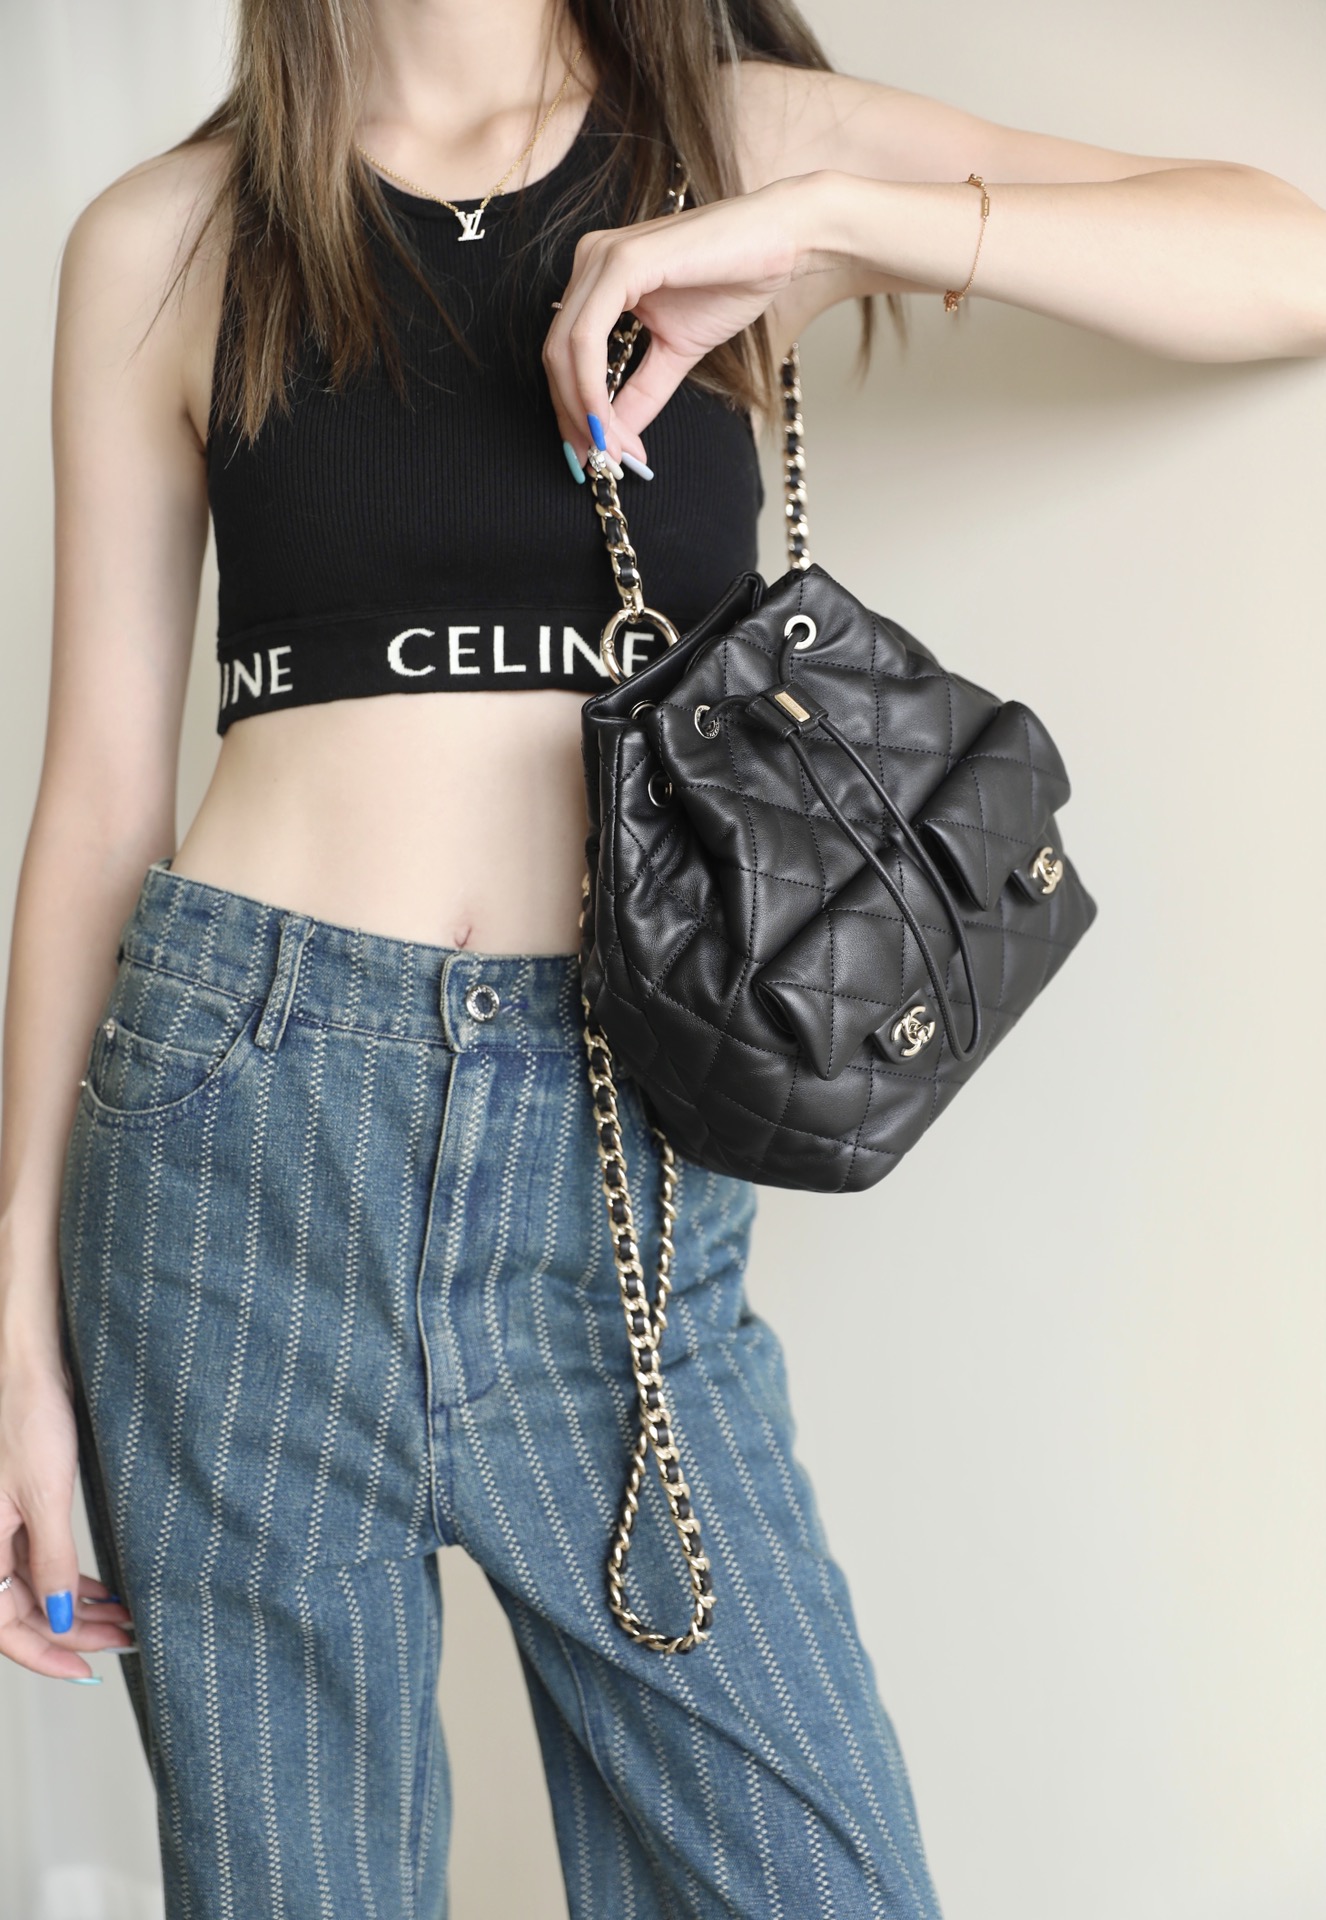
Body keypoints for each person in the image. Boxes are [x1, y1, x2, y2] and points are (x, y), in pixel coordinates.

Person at [2, 0, 1323, 1913]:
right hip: (231, 1163)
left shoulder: (734, 135)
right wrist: (19, 1329)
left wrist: (831, 225)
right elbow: (99, 800)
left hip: (620, 1150)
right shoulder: (170, 235)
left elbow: (1287, 258)